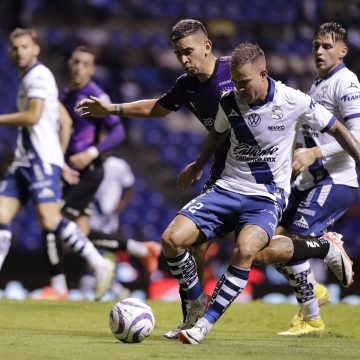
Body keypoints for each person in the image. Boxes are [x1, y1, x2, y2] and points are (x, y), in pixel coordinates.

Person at [75, 20, 355, 339]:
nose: (184, 60)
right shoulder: (188, 84)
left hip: (262, 179)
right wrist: (111, 108)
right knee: (194, 248)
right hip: (224, 179)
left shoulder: (237, 74)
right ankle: (195, 314)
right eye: (178, 54)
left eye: (188, 52)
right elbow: (159, 107)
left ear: (207, 46)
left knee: (259, 251)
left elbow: (276, 109)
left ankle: (320, 257)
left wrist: (307, 152)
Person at [168, 42, 360, 345]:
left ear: (263, 74)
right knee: (172, 240)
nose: (238, 89)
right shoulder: (229, 101)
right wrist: (198, 164)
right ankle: (195, 305)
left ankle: (204, 324)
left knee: (247, 252)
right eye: (235, 82)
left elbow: (337, 128)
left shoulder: (293, 100)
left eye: (244, 82)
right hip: (227, 188)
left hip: (267, 195)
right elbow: (217, 135)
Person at [0, 28, 114, 301]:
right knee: (1, 217)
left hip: (38, 159)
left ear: (36, 49)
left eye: (25, 46)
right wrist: (60, 158)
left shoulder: (39, 76)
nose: (20, 52)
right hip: (26, 160)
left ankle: (100, 264)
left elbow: (33, 115)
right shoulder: (34, 79)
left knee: (51, 220)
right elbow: (64, 122)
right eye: (16, 48)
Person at [268, 22, 360, 336]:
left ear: (343, 51)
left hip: (337, 181)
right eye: (316, 46)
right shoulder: (319, 83)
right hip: (309, 181)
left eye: (327, 46)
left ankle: (326, 251)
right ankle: (315, 292)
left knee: (290, 244)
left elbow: (357, 139)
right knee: (267, 244)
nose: (319, 52)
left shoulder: (347, 83)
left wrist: (314, 154)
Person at [89, 154, 161, 275]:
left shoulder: (117, 164)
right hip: (91, 209)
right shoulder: (88, 162)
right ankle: (142, 250)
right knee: (88, 240)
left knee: (95, 240)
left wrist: (122, 203)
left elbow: (130, 185)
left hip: (107, 213)